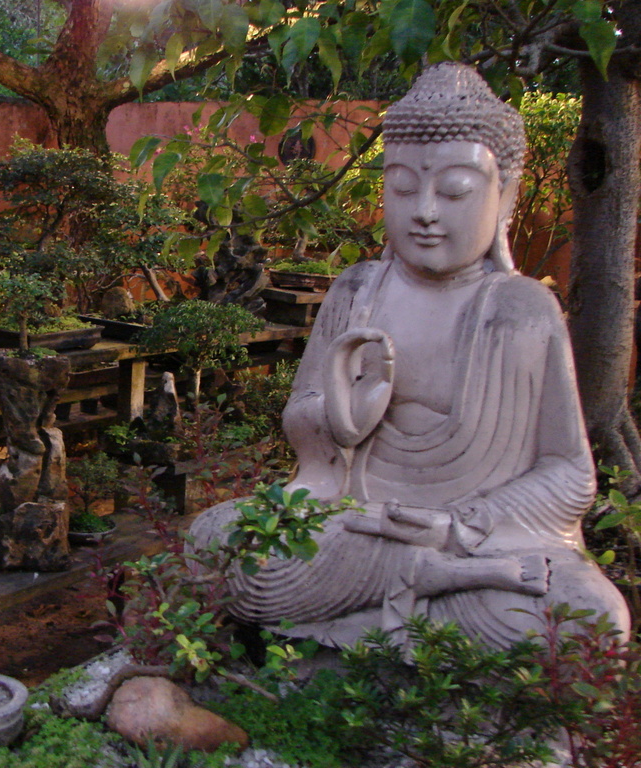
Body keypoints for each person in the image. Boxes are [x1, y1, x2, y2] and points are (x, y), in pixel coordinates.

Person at [189, 62, 630, 649]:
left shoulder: (523, 310)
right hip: (354, 527)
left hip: (471, 539)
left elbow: (569, 473)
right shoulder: (355, 291)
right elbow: (304, 424)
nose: (424, 210)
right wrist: (340, 418)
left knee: (590, 620)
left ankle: (382, 615)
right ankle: (414, 605)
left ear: (504, 197)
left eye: (455, 191)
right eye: (402, 188)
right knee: (215, 542)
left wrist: (461, 523)